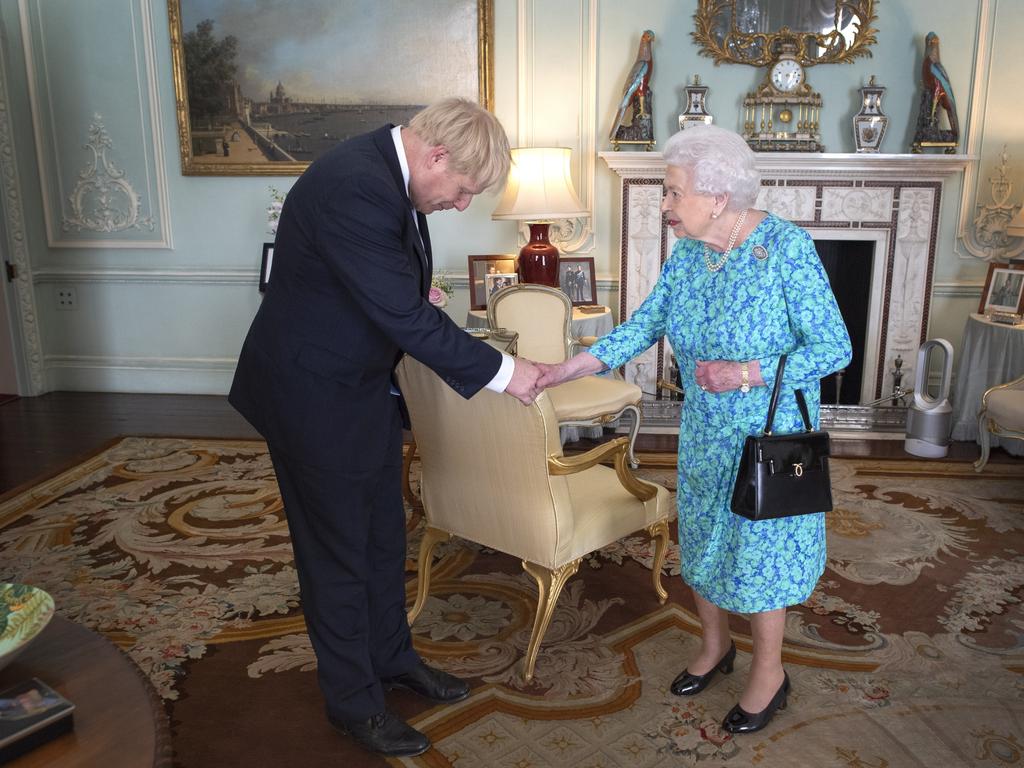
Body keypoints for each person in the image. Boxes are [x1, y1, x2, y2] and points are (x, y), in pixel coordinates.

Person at [228, 98, 542, 759]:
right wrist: (507, 373)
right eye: (462, 190)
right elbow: (404, 316)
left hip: (359, 387)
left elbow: (392, 291)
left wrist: (405, 295)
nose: (460, 205)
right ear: (435, 157)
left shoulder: (386, 173)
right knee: (337, 555)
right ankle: (354, 704)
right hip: (310, 395)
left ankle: (394, 661)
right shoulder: (354, 186)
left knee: (380, 536)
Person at [536, 124, 851, 735]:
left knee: (761, 556)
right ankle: (714, 647)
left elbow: (834, 348)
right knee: (704, 539)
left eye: (673, 191)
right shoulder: (690, 254)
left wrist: (745, 373)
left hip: (769, 433)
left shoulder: (786, 248)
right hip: (705, 430)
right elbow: (645, 323)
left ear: (718, 196)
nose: (665, 204)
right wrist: (566, 367)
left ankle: (769, 671)